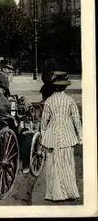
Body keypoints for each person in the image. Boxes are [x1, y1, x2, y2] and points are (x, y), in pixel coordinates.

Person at [40, 71, 82, 202]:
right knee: (67, 164)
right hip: (67, 135)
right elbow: (76, 120)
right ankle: (70, 192)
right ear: (65, 87)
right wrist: (80, 136)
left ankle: (56, 194)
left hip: (52, 136)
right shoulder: (70, 101)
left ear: (55, 87)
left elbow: (44, 121)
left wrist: (43, 136)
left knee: (53, 165)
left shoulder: (49, 101)